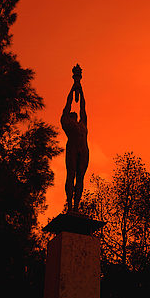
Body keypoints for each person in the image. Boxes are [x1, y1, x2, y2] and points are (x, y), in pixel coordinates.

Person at [61, 83, 89, 211]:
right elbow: (68, 105)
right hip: (72, 148)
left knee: (80, 178)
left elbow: (83, 107)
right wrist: (72, 88)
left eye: (75, 115)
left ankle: (76, 206)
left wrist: (81, 90)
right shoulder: (66, 122)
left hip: (83, 150)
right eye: (72, 114)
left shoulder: (82, 124)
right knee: (71, 175)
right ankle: (70, 206)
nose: (75, 115)